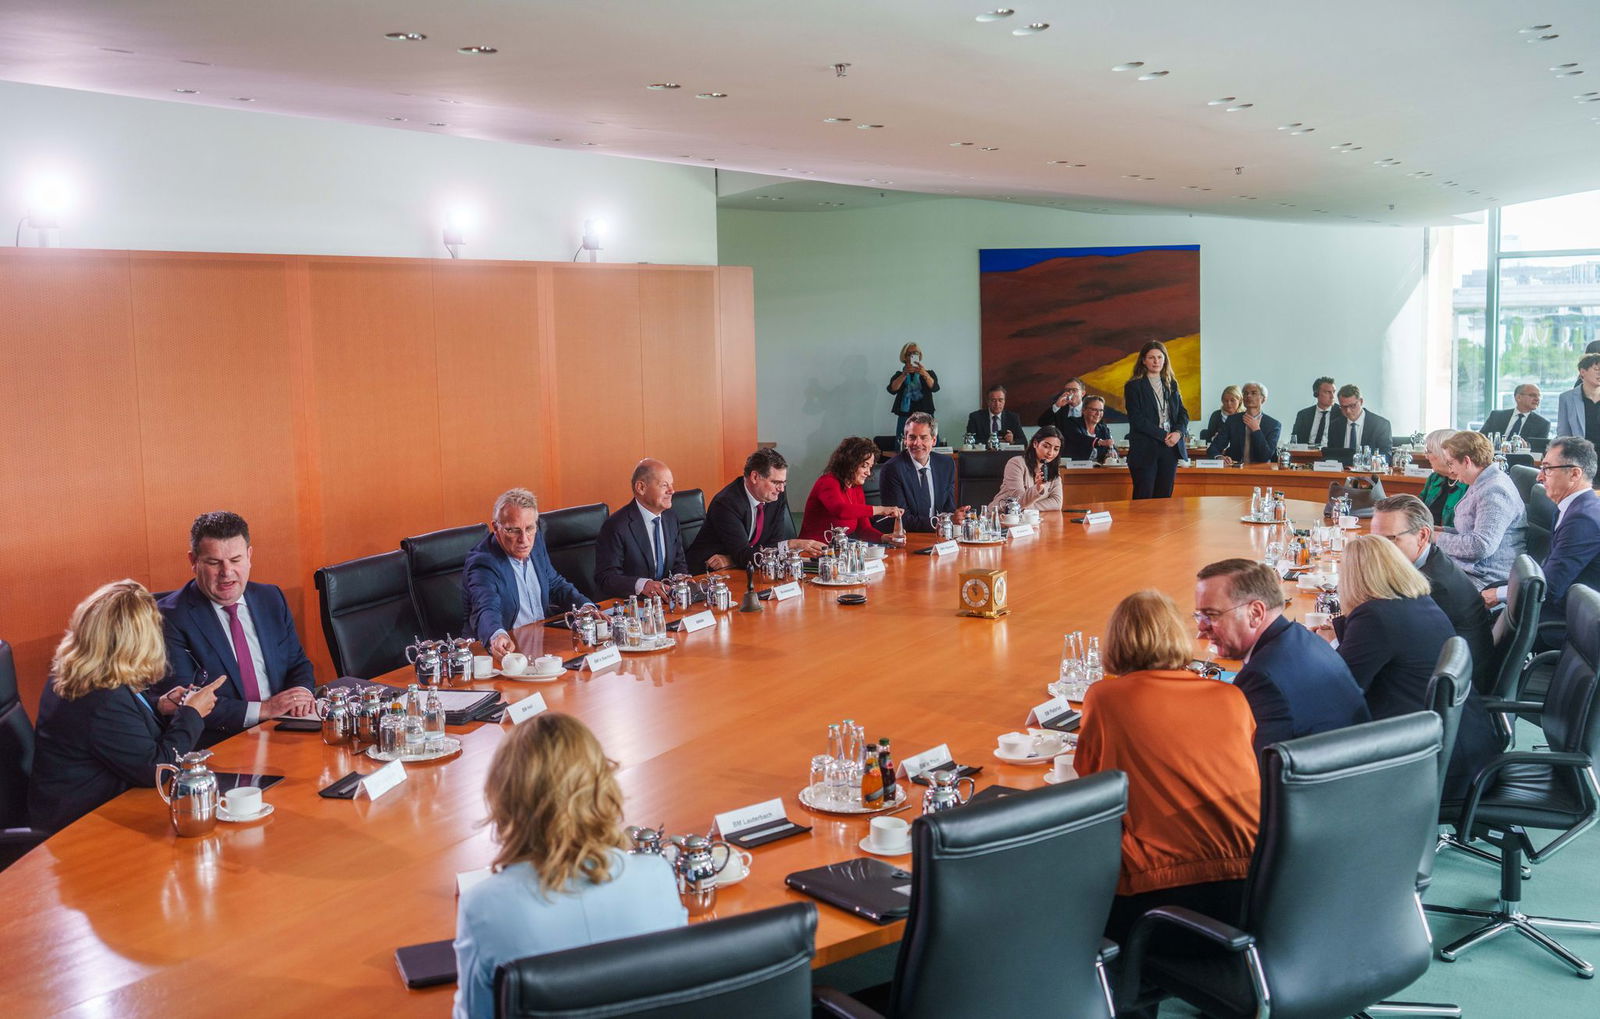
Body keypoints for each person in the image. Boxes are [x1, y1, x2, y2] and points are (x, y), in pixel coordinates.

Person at [452, 713, 686, 1019]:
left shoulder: (483, 906)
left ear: (504, 798)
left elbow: (474, 1014)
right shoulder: (658, 875)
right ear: (601, 784)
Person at [1075, 590, 1259, 946]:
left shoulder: (1106, 698)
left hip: (1159, 897)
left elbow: (1093, 790)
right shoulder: (1230, 697)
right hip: (1252, 891)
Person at [1312, 535, 1500, 800]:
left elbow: (1340, 693)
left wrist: (1319, 649)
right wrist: (1337, 638)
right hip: (1464, 752)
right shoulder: (1416, 601)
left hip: (1433, 767)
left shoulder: (1375, 616)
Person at [30, 580, 226, 833]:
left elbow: (119, 728)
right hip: (83, 827)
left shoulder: (80, 672)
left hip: (98, 807)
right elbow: (156, 771)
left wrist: (159, 706)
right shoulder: (100, 698)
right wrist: (191, 713)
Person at [156, 511, 316, 739]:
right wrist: (265, 709)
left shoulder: (271, 598)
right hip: (221, 739)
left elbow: (297, 663)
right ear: (193, 561)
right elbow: (183, 703)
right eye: (214, 562)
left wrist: (301, 692)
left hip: (284, 725)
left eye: (236, 560)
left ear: (249, 556)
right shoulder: (170, 617)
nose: (227, 573)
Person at [1194, 559, 1368, 754]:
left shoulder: (1262, 677)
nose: (1201, 627)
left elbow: (1254, 767)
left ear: (1255, 613)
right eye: (1199, 616)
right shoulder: (1307, 639)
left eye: (1212, 615)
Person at [1483, 437, 1600, 650]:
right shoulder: (1572, 508)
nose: (1539, 476)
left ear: (1575, 474)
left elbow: (1552, 587)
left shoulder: (1583, 519)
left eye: (1547, 469)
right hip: (1556, 605)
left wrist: (1500, 595)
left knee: (1480, 634)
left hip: (1568, 623)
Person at [1371, 495, 1495, 692]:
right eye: (1375, 540)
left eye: (1390, 539)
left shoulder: (1434, 586)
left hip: (1453, 693)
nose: (1378, 550)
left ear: (1422, 536)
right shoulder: (1428, 561)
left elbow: (1392, 644)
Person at [464, 489, 593, 656]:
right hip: (505, 654)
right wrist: (497, 636)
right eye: (514, 530)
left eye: (529, 528)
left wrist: (586, 607)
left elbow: (554, 583)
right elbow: (486, 607)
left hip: (542, 645)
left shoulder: (536, 540)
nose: (524, 540)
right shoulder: (483, 562)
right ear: (496, 528)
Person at [687, 448, 825, 572]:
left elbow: (773, 544)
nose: (781, 489)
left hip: (743, 566)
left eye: (784, 483)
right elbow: (743, 554)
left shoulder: (775, 496)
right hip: (709, 572)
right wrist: (792, 544)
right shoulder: (727, 503)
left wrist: (732, 560)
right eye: (776, 482)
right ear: (754, 477)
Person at [1432, 430, 1527, 588]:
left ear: (1467, 461)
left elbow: (1480, 546)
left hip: (1484, 578)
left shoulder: (1495, 490)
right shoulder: (1481, 480)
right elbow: (1471, 532)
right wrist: (1441, 530)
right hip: (1469, 570)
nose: (1450, 470)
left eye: (1451, 463)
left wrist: (1435, 537)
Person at [593, 458, 689, 600]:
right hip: (633, 606)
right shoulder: (616, 525)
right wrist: (643, 584)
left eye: (671, 485)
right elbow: (606, 578)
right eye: (664, 485)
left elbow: (678, 563)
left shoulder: (670, 518)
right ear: (641, 488)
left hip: (667, 602)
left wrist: (682, 579)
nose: (672, 491)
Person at [799, 436, 902, 542]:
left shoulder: (856, 488)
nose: (869, 472)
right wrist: (881, 509)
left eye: (870, 467)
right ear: (849, 463)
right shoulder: (827, 481)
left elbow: (864, 529)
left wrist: (885, 538)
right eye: (864, 466)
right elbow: (841, 510)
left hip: (837, 552)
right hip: (811, 552)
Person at [1122, 340, 1189, 500]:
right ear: (1144, 360)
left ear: (1165, 359)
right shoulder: (1133, 386)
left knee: (1164, 498)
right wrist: (1164, 435)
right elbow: (1137, 419)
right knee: (1143, 498)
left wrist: (1178, 433)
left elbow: (1183, 414)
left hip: (1170, 448)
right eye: (1152, 357)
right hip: (1145, 448)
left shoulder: (1171, 384)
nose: (1156, 361)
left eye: (1160, 357)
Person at [876, 412, 957, 531]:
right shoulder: (893, 469)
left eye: (923, 437)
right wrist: (940, 523)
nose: (917, 443)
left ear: (934, 440)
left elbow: (948, 509)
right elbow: (900, 519)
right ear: (905, 440)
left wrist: (956, 517)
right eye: (912, 437)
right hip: (908, 537)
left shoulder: (945, 464)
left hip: (940, 537)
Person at [1205, 381, 1280, 465]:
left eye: (1253, 393)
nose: (1248, 396)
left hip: (1261, 472)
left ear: (1263, 399)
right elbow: (1213, 448)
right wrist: (1219, 457)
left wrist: (1256, 430)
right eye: (1246, 393)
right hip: (1236, 470)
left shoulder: (1273, 425)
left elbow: (1265, 456)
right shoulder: (1233, 420)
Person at [990, 426, 1063, 512]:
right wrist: (1037, 489)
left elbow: (1057, 503)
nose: (1051, 452)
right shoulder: (1016, 463)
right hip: (1001, 516)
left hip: (1031, 518)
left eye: (1056, 449)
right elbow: (1018, 501)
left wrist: (1028, 508)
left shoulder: (1053, 469)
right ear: (1035, 443)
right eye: (1046, 446)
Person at [1321, 383, 1394, 465]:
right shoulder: (1335, 425)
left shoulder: (1381, 425)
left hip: (1369, 474)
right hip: (1342, 473)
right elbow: (1331, 455)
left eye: (1352, 406)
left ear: (1361, 401)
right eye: (1344, 407)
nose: (1348, 411)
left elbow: (1386, 456)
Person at [886, 342, 939, 441]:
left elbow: (935, 388)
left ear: (920, 355)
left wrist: (925, 374)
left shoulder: (929, 373)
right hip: (905, 416)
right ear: (904, 357)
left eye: (915, 353)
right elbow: (892, 389)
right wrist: (904, 374)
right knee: (903, 443)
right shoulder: (899, 374)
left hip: (926, 416)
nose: (912, 356)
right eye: (909, 354)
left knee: (928, 442)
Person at [1480, 383, 1550, 453]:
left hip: (1521, 460)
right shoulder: (1496, 416)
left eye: (1539, 396)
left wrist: (1527, 447)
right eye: (1533, 395)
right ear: (1518, 397)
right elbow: (1480, 438)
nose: (1537, 399)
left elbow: (1539, 451)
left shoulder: (1542, 424)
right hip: (1493, 458)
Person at [1417, 428, 1465, 528]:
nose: (1426, 456)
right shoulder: (1435, 478)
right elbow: (1418, 509)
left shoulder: (1468, 483)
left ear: (1444, 454)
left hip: (1449, 541)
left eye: (1429, 452)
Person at [1555, 353, 1600, 445]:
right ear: (1582, 372)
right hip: (1580, 454)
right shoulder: (1567, 398)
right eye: (1596, 369)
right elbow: (1563, 433)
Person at [1061, 395, 1115, 463]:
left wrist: (1111, 454)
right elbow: (1078, 438)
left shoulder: (1103, 429)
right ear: (1083, 410)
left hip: (1097, 470)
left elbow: (1112, 448)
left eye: (1101, 410)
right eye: (1094, 410)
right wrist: (1100, 442)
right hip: (1074, 468)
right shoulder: (1072, 422)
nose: (1098, 413)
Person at [1290, 376, 1338, 446]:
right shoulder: (1303, 414)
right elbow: (1295, 440)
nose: (1332, 396)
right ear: (1316, 394)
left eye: (1334, 392)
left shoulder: (1341, 413)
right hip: (1307, 454)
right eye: (1328, 392)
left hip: (1331, 454)